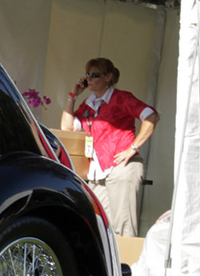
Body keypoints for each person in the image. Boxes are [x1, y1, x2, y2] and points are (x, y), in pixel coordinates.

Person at [60, 57, 158, 237]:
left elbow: (151, 117)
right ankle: (109, 263)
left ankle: (127, 264)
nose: (89, 79)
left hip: (122, 166)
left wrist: (133, 148)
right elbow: (66, 127)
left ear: (108, 77)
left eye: (95, 75)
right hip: (99, 170)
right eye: (87, 75)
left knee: (123, 225)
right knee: (99, 225)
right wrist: (72, 96)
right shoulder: (89, 103)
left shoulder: (122, 98)